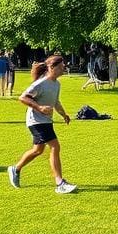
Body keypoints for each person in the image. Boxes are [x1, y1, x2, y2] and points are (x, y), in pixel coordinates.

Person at [8, 54, 76, 194]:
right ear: (52, 67)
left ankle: (16, 169)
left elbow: (55, 102)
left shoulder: (56, 84)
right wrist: (39, 108)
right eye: (61, 66)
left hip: (45, 120)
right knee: (55, 147)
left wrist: (64, 114)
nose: (64, 68)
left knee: (38, 150)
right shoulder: (40, 83)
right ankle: (59, 183)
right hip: (36, 120)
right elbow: (23, 97)